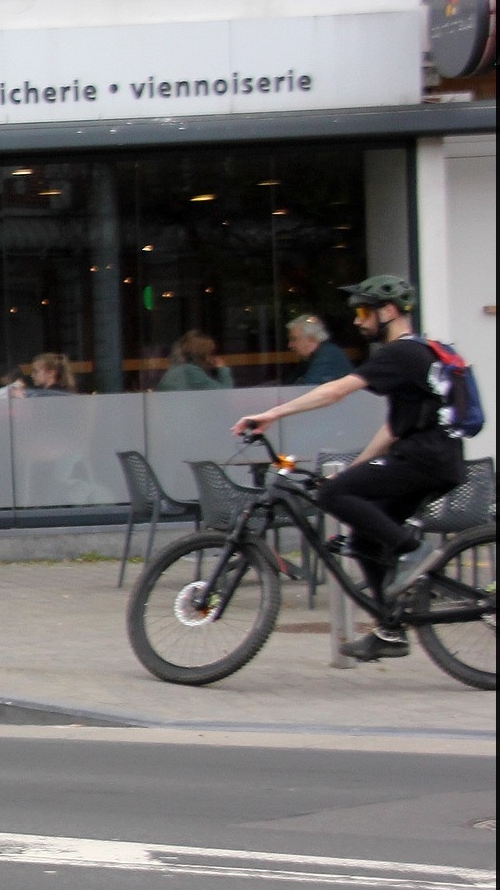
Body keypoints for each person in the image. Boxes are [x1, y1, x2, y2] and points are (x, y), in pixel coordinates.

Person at [234, 275, 470, 662]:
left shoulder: (401, 353)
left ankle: (414, 551)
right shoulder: (420, 353)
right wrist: (355, 468)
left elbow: (335, 390)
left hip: (424, 460)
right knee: (363, 538)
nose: (359, 322)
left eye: (364, 311)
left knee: (331, 495)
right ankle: (390, 631)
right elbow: (395, 427)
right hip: (434, 459)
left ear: (389, 311)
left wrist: (272, 413)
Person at [287, 314, 356, 385]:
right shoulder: (311, 358)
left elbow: (309, 390)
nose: (290, 345)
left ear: (312, 339)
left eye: (294, 339)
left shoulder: (327, 356)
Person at [157, 331, 234, 391]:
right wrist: (222, 368)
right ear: (203, 354)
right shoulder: (191, 372)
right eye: (210, 353)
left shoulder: (178, 369)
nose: (212, 358)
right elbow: (225, 393)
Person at [2, 353, 76, 397]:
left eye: (36, 371)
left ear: (50, 373)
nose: (32, 375)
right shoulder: (42, 393)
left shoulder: (55, 395)